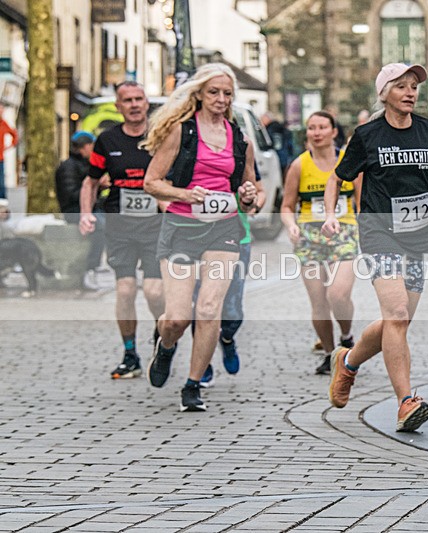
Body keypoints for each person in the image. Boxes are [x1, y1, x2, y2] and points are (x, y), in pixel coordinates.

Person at [322, 63, 428, 432]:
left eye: (414, 86)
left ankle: (348, 362)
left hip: (418, 237)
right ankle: (406, 402)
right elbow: (337, 177)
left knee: (396, 321)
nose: (410, 92)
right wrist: (331, 214)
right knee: (397, 315)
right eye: (401, 86)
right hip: (379, 233)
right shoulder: (368, 135)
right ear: (384, 93)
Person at [142, 63, 258, 412]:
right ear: (199, 94)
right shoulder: (181, 131)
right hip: (180, 229)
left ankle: (192, 386)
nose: (221, 99)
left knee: (209, 309)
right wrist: (183, 194)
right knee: (177, 318)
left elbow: (250, 191)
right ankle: (165, 345)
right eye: (214, 92)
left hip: (223, 229)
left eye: (226, 94)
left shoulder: (240, 139)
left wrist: (250, 195)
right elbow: (152, 182)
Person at [79, 82, 165, 378]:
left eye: (139, 99)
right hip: (119, 225)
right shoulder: (107, 140)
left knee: (154, 293)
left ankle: (162, 336)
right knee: (126, 289)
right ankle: (130, 354)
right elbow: (91, 181)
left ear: (147, 103)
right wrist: (86, 214)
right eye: (127, 100)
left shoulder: (160, 136)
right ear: (118, 106)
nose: (134, 104)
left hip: (156, 226)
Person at [281, 110, 360, 375]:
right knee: (318, 301)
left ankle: (347, 336)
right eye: (311, 128)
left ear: (333, 131)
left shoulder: (348, 162)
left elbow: (361, 203)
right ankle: (329, 353)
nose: (316, 133)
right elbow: (286, 206)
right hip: (310, 238)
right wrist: (291, 225)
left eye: (322, 127)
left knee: (337, 293)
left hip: (344, 232)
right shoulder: (299, 165)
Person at [198, 167, 267, 388]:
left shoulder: (240, 146)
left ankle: (226, 338)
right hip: (196, 238)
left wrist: (254, 203)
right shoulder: (190, 145)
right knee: (201, 307)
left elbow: (259, 189)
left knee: (232, 309)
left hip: (237, 238)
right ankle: (202, 365)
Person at [56, 131, 107, 289]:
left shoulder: (86, 164)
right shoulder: (68, 167)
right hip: (74, 210)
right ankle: (90, 268)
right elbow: (71, 195)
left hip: (90, 207)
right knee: (99, 225)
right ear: (84, 147)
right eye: (92, 146)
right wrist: (97, 186)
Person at [0, 103, 19, 199]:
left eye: (2, 110)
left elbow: (14, 135)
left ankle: (2, 202)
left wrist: (9, 145)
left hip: (0, 158)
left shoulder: (3, 124)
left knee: (1, 182)